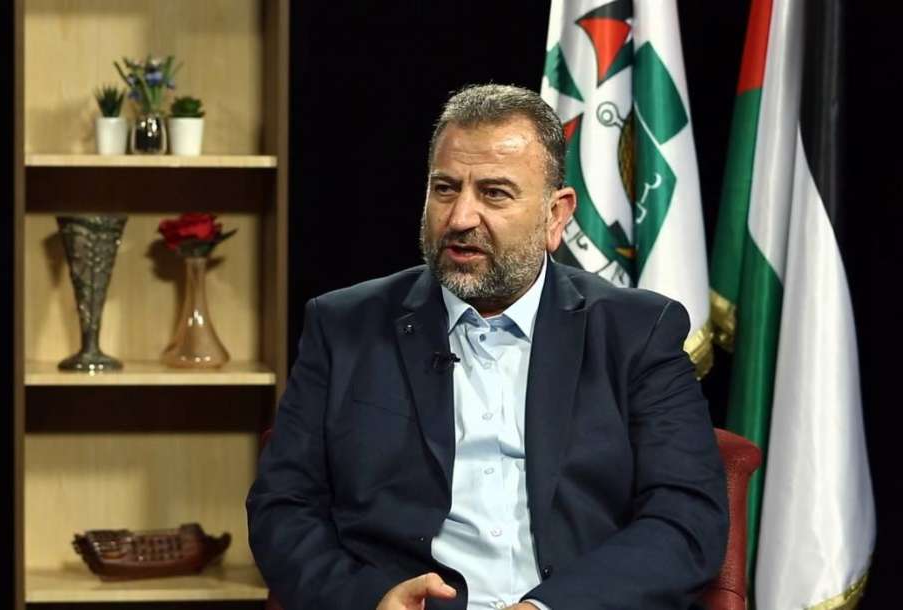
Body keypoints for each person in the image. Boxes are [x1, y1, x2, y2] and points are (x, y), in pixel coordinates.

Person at [247, 84, 728, 610]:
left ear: (556, 215)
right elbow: (282, 507)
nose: (460, 218)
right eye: (445, 188)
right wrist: (370, 599)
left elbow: (686, 518)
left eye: (495, 193)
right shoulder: (344, 326)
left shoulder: (637, 331)